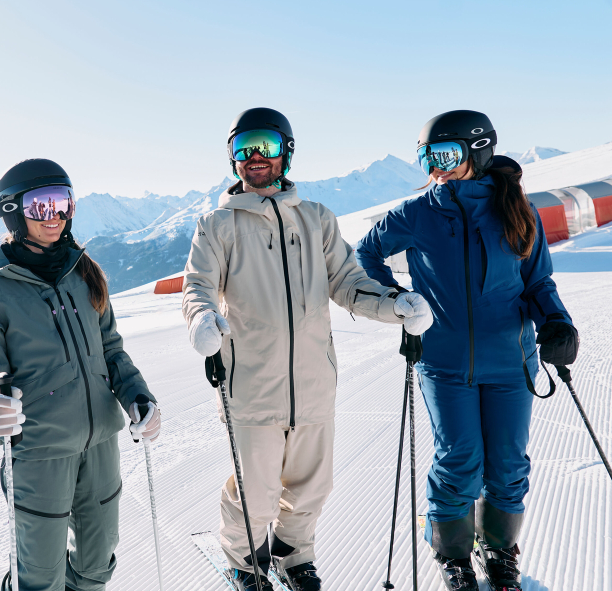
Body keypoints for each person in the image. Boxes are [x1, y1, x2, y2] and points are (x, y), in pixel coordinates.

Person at [181, 108, 434, 591]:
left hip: (314, 383)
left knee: (312, 487)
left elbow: (349, 282)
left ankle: (292, 553)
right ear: (232, 158)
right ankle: (245, 562)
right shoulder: (217, 225)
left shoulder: (316, 219)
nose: (255, 156)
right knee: (255, 492)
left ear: (287, 152)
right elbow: (198, 286)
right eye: (243, 147)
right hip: (250, 385)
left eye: (267, 145)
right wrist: (201, 320)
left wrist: (395, 304)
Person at [354, 110, 578, 591]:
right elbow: (365, 253)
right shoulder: (416, 213)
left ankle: (499, 548)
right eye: (427, 158)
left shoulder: (517, 210)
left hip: (511, 361)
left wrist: (556, 321)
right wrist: (397, 299)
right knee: (459, 459)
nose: (436, 167)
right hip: (443, 362)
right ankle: (454, 555)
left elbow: (538, 281)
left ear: (479, 151)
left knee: (508, 463)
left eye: (446, 154)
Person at [0, 158, 160, 591]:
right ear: (13, 212)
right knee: (39, 579)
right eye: (41, 205)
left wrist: (138, 397)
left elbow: (111, 350)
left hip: (101, 444)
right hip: (39, 452)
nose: (54, 215)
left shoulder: (84, 271)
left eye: (63, 202)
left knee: (95, 567)